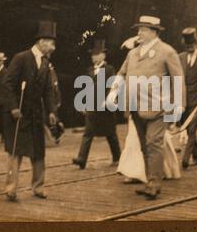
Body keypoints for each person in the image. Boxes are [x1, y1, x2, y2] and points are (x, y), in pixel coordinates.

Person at [107, 14, 186, 200]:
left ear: (154, 32)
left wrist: (178, 106)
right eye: (139, 29)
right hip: (135, 107)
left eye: (143, 29)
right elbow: (121, 73)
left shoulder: (167, 52)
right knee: (144, 146)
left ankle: (154, 184)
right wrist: (112, 92)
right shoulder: (133, 53)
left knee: (153, 143)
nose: (139, 33)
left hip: (158, 108)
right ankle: (150, 179)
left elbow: (178, 79)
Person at [2, 21, 57, 201]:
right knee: (15, 152)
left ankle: (38, 187)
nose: (53, 47)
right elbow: (7, 84)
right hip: (18, 114)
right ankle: (11, 189)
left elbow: (48, 90)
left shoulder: (46, 63)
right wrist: (13, 107)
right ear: (41, 42)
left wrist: (51, 111)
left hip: (36, 115)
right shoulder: (21, 58)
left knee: (39, 152)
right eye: (51, 43)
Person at [72, 39, 121, 169]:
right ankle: (82, 159)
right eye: (92, 54)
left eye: (97, 54)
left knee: (110, 133)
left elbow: (113, 86)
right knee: (88, 133)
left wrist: (109, 100)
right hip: (92, 107)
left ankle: (117, 157)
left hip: (106, 107)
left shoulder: (110, 69)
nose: (94, 57)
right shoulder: (89, 70)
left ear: (103, 55)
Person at [178, 27, 197, 169]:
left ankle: (185, 159)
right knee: (187, 127)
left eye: (192, 44)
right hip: (184, 100)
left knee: (192, 129)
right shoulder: (180, 58)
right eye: (187, 45)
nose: (190, 47)